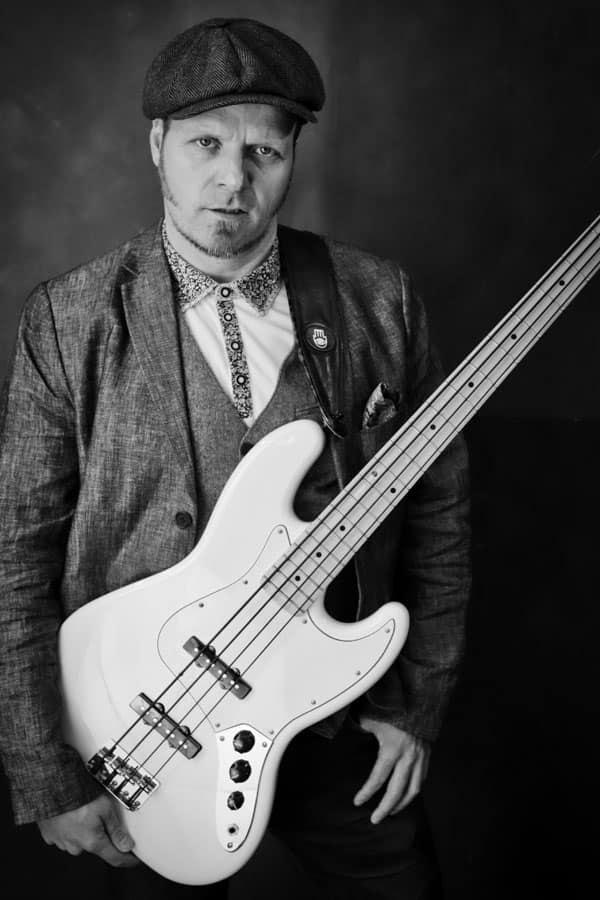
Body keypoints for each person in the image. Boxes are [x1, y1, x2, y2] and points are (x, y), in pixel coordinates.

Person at [0, 17, 470, 900]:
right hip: (141, 734)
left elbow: (440, 515)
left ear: (295, 156)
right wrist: (44, 774)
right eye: (206, 144)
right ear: (156, 144)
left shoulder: (378, 299)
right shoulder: (68, 319)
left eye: (265, 150)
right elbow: (14, 553)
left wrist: (412, 706)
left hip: (335, 717)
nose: (233, 179)